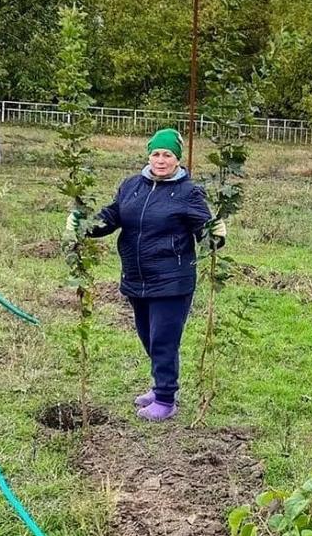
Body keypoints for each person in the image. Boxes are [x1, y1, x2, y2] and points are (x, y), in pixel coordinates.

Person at [68, 128, 225, 422]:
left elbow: (206, 234)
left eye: (167, 155)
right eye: (156, 153)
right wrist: (84, 224)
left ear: (177, 159)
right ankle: (159, 385)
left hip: (172, 279)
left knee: (163, 338)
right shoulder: (131, 186)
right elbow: (112, 217)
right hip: (136, 277)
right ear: (148, 155)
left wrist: (216, 234)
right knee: (147, 336)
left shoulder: (189, 193)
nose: (161, 160)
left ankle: (166, 399)